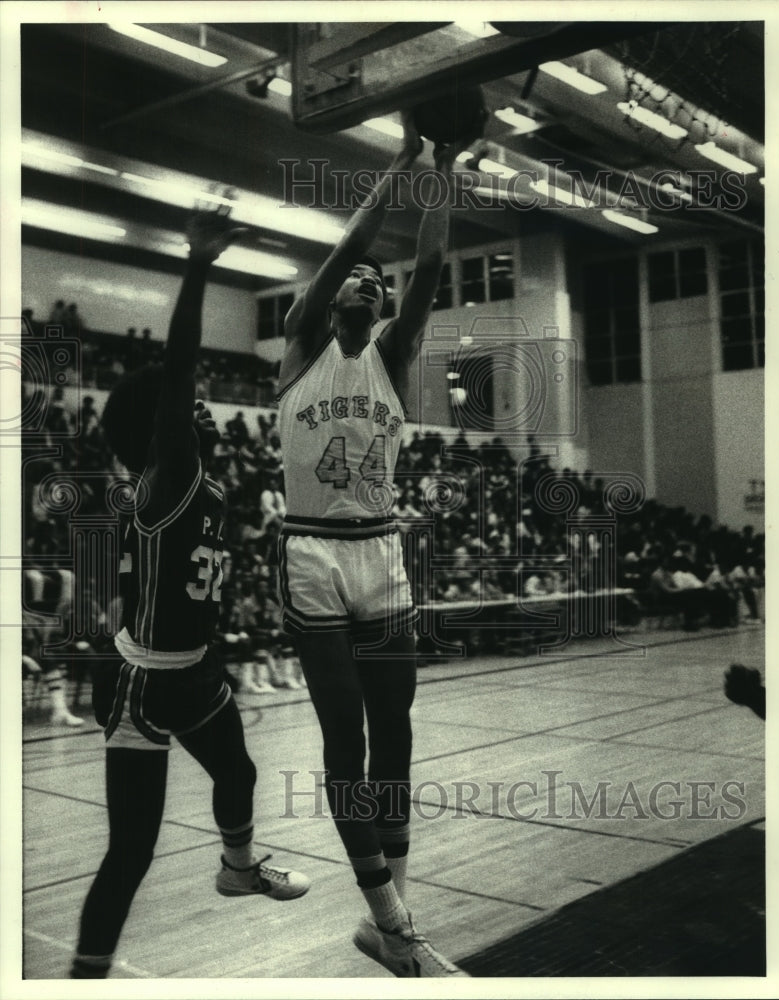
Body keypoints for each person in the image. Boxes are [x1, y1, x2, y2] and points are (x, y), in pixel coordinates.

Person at [69, 206, 309, 980]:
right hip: (144, 682)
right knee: (130, 854)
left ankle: (237, 869)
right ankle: (84, 975)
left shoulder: (202, 483)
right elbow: (175, 380)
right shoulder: (165, 479)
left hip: (196, 667)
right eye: (189, 401)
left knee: (238, 776)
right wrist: (199, 266)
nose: (201, 403)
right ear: (163, 425)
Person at [277, 110, 481, 978]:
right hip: (313, 556)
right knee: (343, 738)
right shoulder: (299, 345)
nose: (366, 283)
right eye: (354, 280)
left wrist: (448, 164)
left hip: (382, 555)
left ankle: (388, 913)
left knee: (395, 731)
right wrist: (401, 159)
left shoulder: (395, 360)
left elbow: (431, 263)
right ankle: (394, 919)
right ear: (335, 299)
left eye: (375, 281)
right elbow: (348, 248)